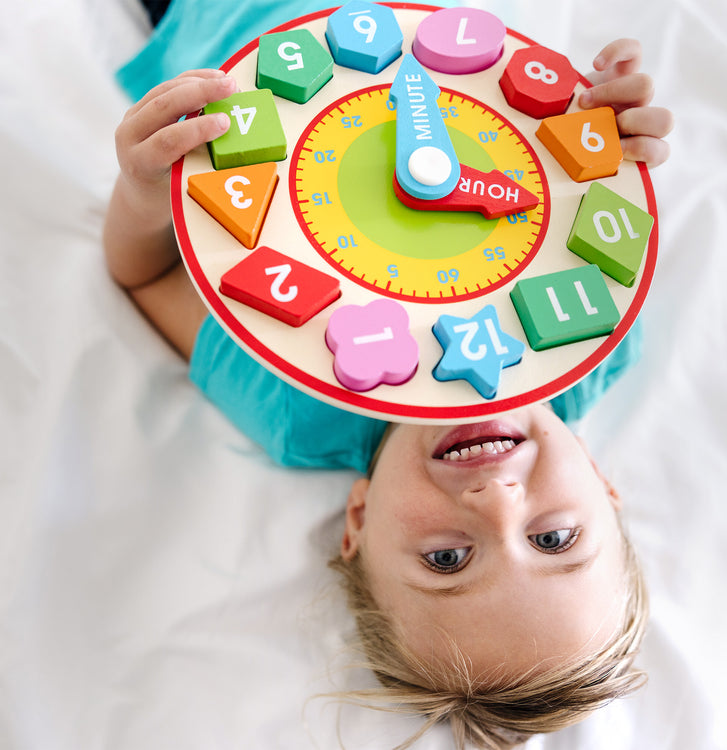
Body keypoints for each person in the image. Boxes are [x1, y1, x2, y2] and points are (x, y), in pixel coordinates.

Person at [103, 3, 674, 746]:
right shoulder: (595, 332)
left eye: (448, 559)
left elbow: (145, 281)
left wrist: (143, 192)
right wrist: (602, 121)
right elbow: (549, 151)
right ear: (602, 486)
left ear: (359, 523)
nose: (497, 503)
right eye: (555, 540)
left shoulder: (291, 409)